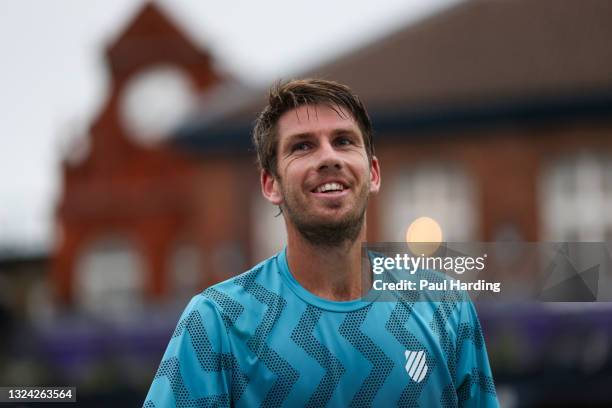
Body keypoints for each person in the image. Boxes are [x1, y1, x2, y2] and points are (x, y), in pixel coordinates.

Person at [144, 79, 499, 407]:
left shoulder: (444, 305)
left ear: (372, 173)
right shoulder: (217, 322)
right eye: (302, 146)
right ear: (271, 185)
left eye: (344, 141)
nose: (329, 157)